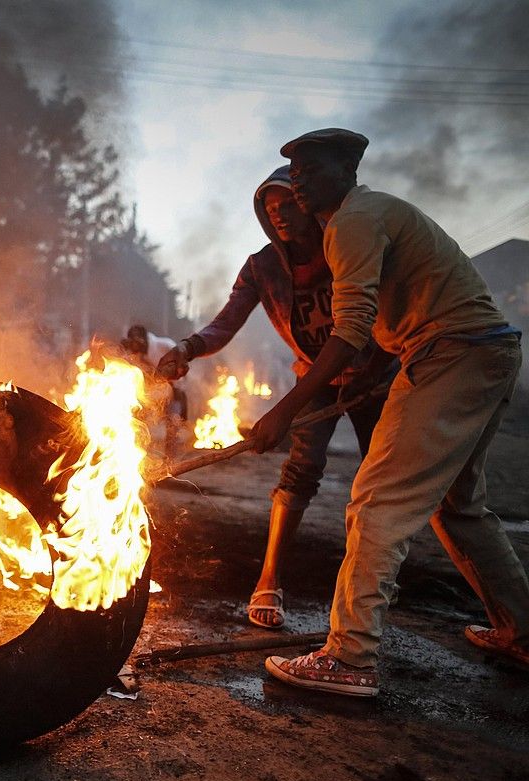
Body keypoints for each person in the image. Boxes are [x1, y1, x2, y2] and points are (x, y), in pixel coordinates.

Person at [252, 128, 528, 696]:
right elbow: (377, 321)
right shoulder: (362, 218)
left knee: (377, 499)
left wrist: (283, 412)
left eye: (311, 167)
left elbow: (350, 330)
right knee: (459, 507)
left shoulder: (352, 221)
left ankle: (349, 657)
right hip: (482, 349)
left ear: (348, 168)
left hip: (451, 352)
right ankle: (523, 632)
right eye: (293, 170)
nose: (298, 179)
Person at [157, 166, 393, 630]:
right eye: (270, 209)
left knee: (382, 480)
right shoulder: (262, 268)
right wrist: (188, 347)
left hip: (376, 376)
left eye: (288, 204)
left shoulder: (344, 245)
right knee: (299, 472)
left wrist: (387, 363)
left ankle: (374, 582)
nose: (280, 215)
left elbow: (386, 306)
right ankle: (269, 579)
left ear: (308, 203)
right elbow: (225, 324)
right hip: (317, 378)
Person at [122, 324, 187, 457]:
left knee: (173, 424)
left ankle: (170, 460)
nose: (134, 346)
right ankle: (139, 457)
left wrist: (174, 387)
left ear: (143, 340)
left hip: (174, 390)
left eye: (136, 341)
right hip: (152, 394)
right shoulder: (137, 355)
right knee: (138, 424)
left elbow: (182, 369)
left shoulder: (166, 345)